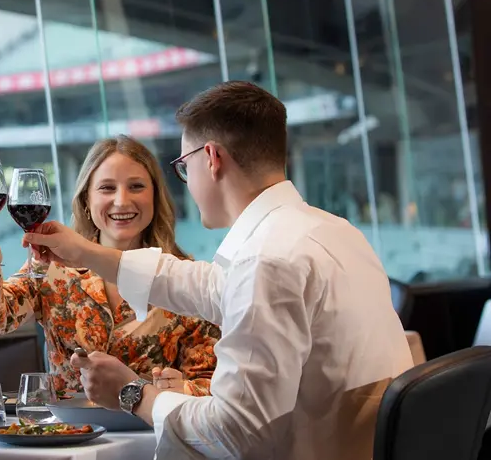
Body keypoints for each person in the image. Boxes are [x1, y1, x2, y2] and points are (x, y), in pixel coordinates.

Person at [21, 81, 413, 460]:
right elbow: (208, 285)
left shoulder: (267, 260)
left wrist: (132, 394)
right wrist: (87, 252)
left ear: (211, 158)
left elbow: (235, 434)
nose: (187, 183)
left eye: (183, 166)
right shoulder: (334, 232)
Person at [0, 135, 219, 394]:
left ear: (155, 198)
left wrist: (180, 389)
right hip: (69, 430)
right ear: (86, 201)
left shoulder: (185, 278)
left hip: (147, 431)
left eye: (136, 186)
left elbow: (211, 384)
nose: (122, 201)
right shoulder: (50, 267)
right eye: (107, 188)